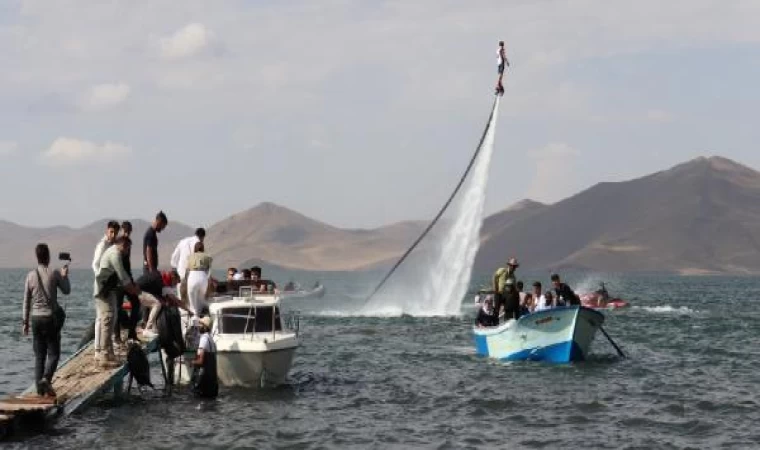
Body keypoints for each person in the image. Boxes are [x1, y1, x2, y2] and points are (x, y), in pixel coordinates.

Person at [23, 243, 71, 397]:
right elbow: (67, 291)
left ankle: (39, 393)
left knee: (39, 356)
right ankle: (46, 379)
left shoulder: (30, 276)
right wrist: (65, 276)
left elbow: (26, 301)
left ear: (37, 257)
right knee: (54, 354)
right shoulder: (54, 273)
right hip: (50, 319)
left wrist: (25, 323)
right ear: (48, 257)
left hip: (35, 319)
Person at [94, 236, 141, 368]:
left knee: (112, 317)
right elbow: (123, 277)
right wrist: (134, 290)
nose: (128, 252)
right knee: (107, 321)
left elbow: (123, 278)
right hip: (103, 291)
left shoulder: (114, 252)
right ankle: (104, 356)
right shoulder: (115, 255)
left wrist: (132, 287)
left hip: (110, 290)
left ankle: (109, 353)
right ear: (124, 245)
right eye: (128, 248)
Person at [92, 220, 119, 351]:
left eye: (115, 232)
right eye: (111, 232)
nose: (113, 235)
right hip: (102, 285)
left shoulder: (114, 246)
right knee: (100, 317)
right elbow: (95, 264)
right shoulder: (102, 245)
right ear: (107, 231)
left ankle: (108, 344)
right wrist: (101, 279)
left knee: (113, 315)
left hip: (111, 285)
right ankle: (98, 348)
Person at [186, 242, 213, 325]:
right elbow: (209, 271)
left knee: (192, 304)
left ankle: (194, 323)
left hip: (192, 277)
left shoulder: (190, 257)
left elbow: (187, 271)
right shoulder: (208, 257)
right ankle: (202, 322)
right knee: (201, 301)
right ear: (203, 248)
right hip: (203, 277)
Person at [191, 316, 218, 399]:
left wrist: (192, 362)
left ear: (205, 326)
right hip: (212, 381)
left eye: (200, 324)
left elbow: (201, 361)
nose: (199, 326)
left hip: (203, 381)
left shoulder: (204, 339)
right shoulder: (211, 339)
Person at [492, 257, 519, 322]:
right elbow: (495, 277)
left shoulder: (513, 277)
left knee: (509, 307)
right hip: (499, 293)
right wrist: (495, 288)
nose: (514, 268)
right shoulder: (502, 270)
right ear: (509, 265)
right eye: (513, 266)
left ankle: (508, 321)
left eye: (515, 266)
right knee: (496, 309)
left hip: (507, 296)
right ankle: (494, 323)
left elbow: (514, 288)